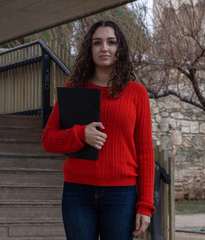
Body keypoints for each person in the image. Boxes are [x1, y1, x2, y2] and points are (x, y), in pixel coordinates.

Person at [42, 20, 155, 240]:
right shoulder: (74, 88)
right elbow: (48, 140)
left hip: (122, 195)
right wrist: (80, 134)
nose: (104, 48)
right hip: (77, 193)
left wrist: (145, 205)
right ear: (89, 49)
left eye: (111, 42)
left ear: (119, 48)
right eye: (97, 43)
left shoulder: (136, 93)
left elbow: (145, 153)